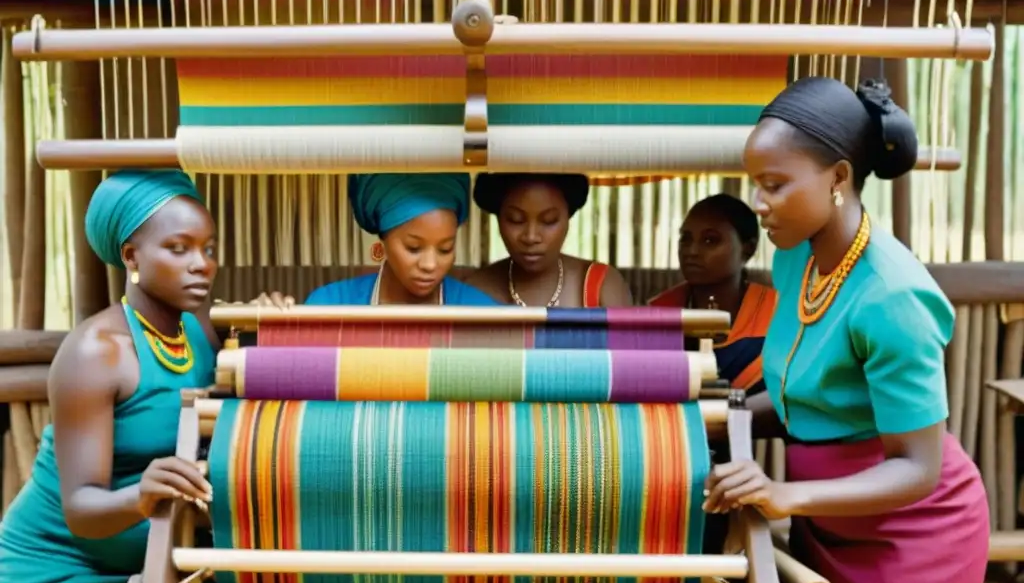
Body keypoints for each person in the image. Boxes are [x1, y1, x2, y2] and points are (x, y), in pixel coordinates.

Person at [704, 76, 989, 583]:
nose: (759, 202)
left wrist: (784, 492)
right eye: (755, 182)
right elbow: (810, 396)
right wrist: (725, 415)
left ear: (837, 177)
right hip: (834, 527)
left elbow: (917, 467)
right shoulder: (800, 255)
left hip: (911, 539)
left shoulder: (892, 297)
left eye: (774, 184)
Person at [0, 170, 219, 583]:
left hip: (143, 570)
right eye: (179, 248)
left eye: (207, 248)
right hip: (57, 570)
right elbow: (81, 508)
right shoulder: (97, 352)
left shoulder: (198, 333)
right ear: (132, 256)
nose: (201, 263)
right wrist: (142, 497)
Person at [260, 173, 497, 307]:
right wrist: (269, 321)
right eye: (413, 248)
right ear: (383, 238)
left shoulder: (481, 311)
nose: (429, 265)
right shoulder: (330, 304)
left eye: (445, 249)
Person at [649, 193, 777, 394]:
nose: (692, 251)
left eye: (710, 240)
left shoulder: (777, 314)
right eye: (686, 239)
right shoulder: (657, 315)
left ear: (748, 249)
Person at [466, 173, 633, 307]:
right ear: (499, 218)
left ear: (568, 217)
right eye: (515, 219)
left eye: (549, 220)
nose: (531, 237)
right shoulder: (473, 291)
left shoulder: (601, 287)